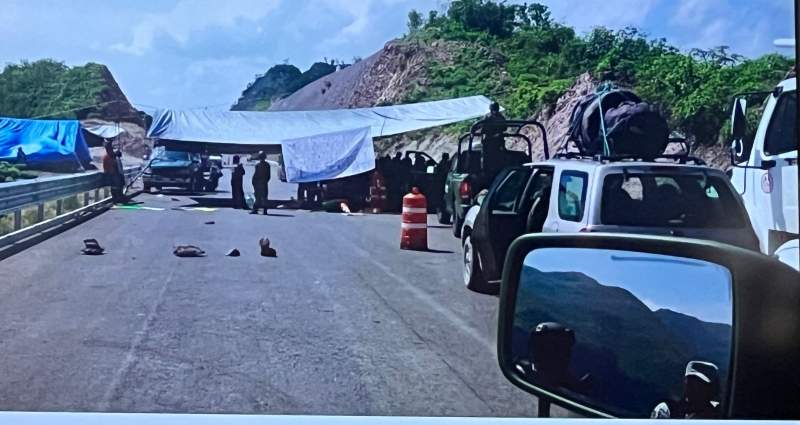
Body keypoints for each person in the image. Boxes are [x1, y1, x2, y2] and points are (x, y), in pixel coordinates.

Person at [651, 361, 721, 419]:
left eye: (700, 384)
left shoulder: (717, 414)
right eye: (690, 381)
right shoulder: (666, 410)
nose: (693, 387)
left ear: (711, 389)